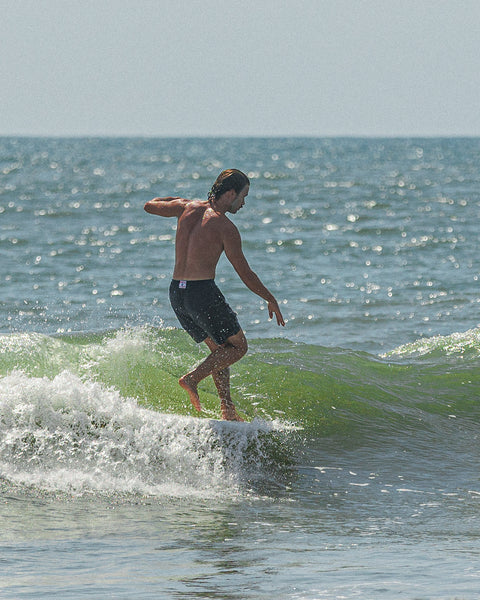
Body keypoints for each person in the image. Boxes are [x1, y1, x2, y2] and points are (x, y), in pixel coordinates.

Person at [144, 169, 285, 421]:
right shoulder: (224, 227)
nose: (243, 203)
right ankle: (192, 379)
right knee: (238, 347)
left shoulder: (185, 208)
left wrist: (185, 202)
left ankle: (227, 409)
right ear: (230, 193)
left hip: (177, 292)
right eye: (243, 197)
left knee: (219, 351)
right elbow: (245, 272)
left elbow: (149, 206)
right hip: (201, 293)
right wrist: (270, 298)